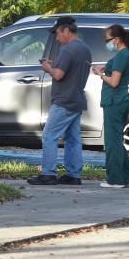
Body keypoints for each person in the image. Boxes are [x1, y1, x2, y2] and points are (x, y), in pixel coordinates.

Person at [27, 16, 92, 186]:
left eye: (57, 33)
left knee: (49, 136)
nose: (56, 38)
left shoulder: (67, 49)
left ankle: (48, 173)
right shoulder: (85, 49)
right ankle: (74, 175)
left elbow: (58, 74)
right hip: (77, 99)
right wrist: (55, 65)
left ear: (66, 30)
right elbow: (71, 70)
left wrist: (48, 67)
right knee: (73, 138)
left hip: (64, 100)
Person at [92, 24, 129, 188]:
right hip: (121, 101)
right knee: (117, 140)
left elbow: (114, 82)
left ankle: (115, 180)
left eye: (108, 40)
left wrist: (100, 74)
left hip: (114, 101)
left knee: (112, 142)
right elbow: (119, 70)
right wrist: (107, 67)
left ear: (117, 39)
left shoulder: (122, 56)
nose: (107, 43)